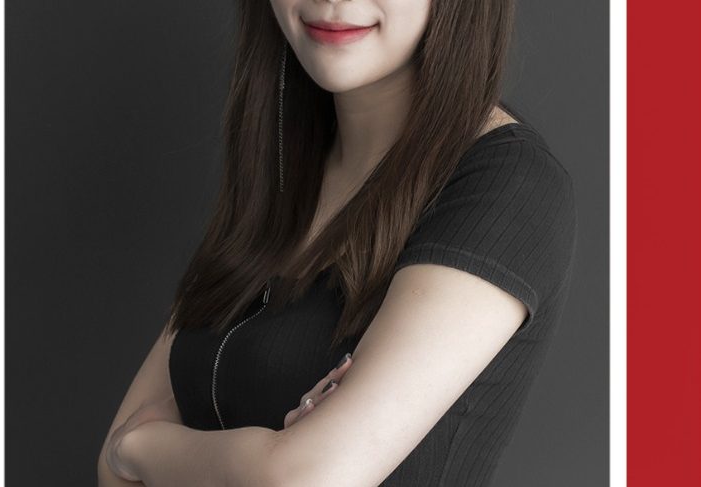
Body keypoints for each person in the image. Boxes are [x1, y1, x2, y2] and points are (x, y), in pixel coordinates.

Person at [98, 0, 577, 485]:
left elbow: (304, 479)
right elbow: (111, 474)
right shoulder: (282, 169)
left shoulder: (507, 183)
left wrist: (138, 449)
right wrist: (261, 457)